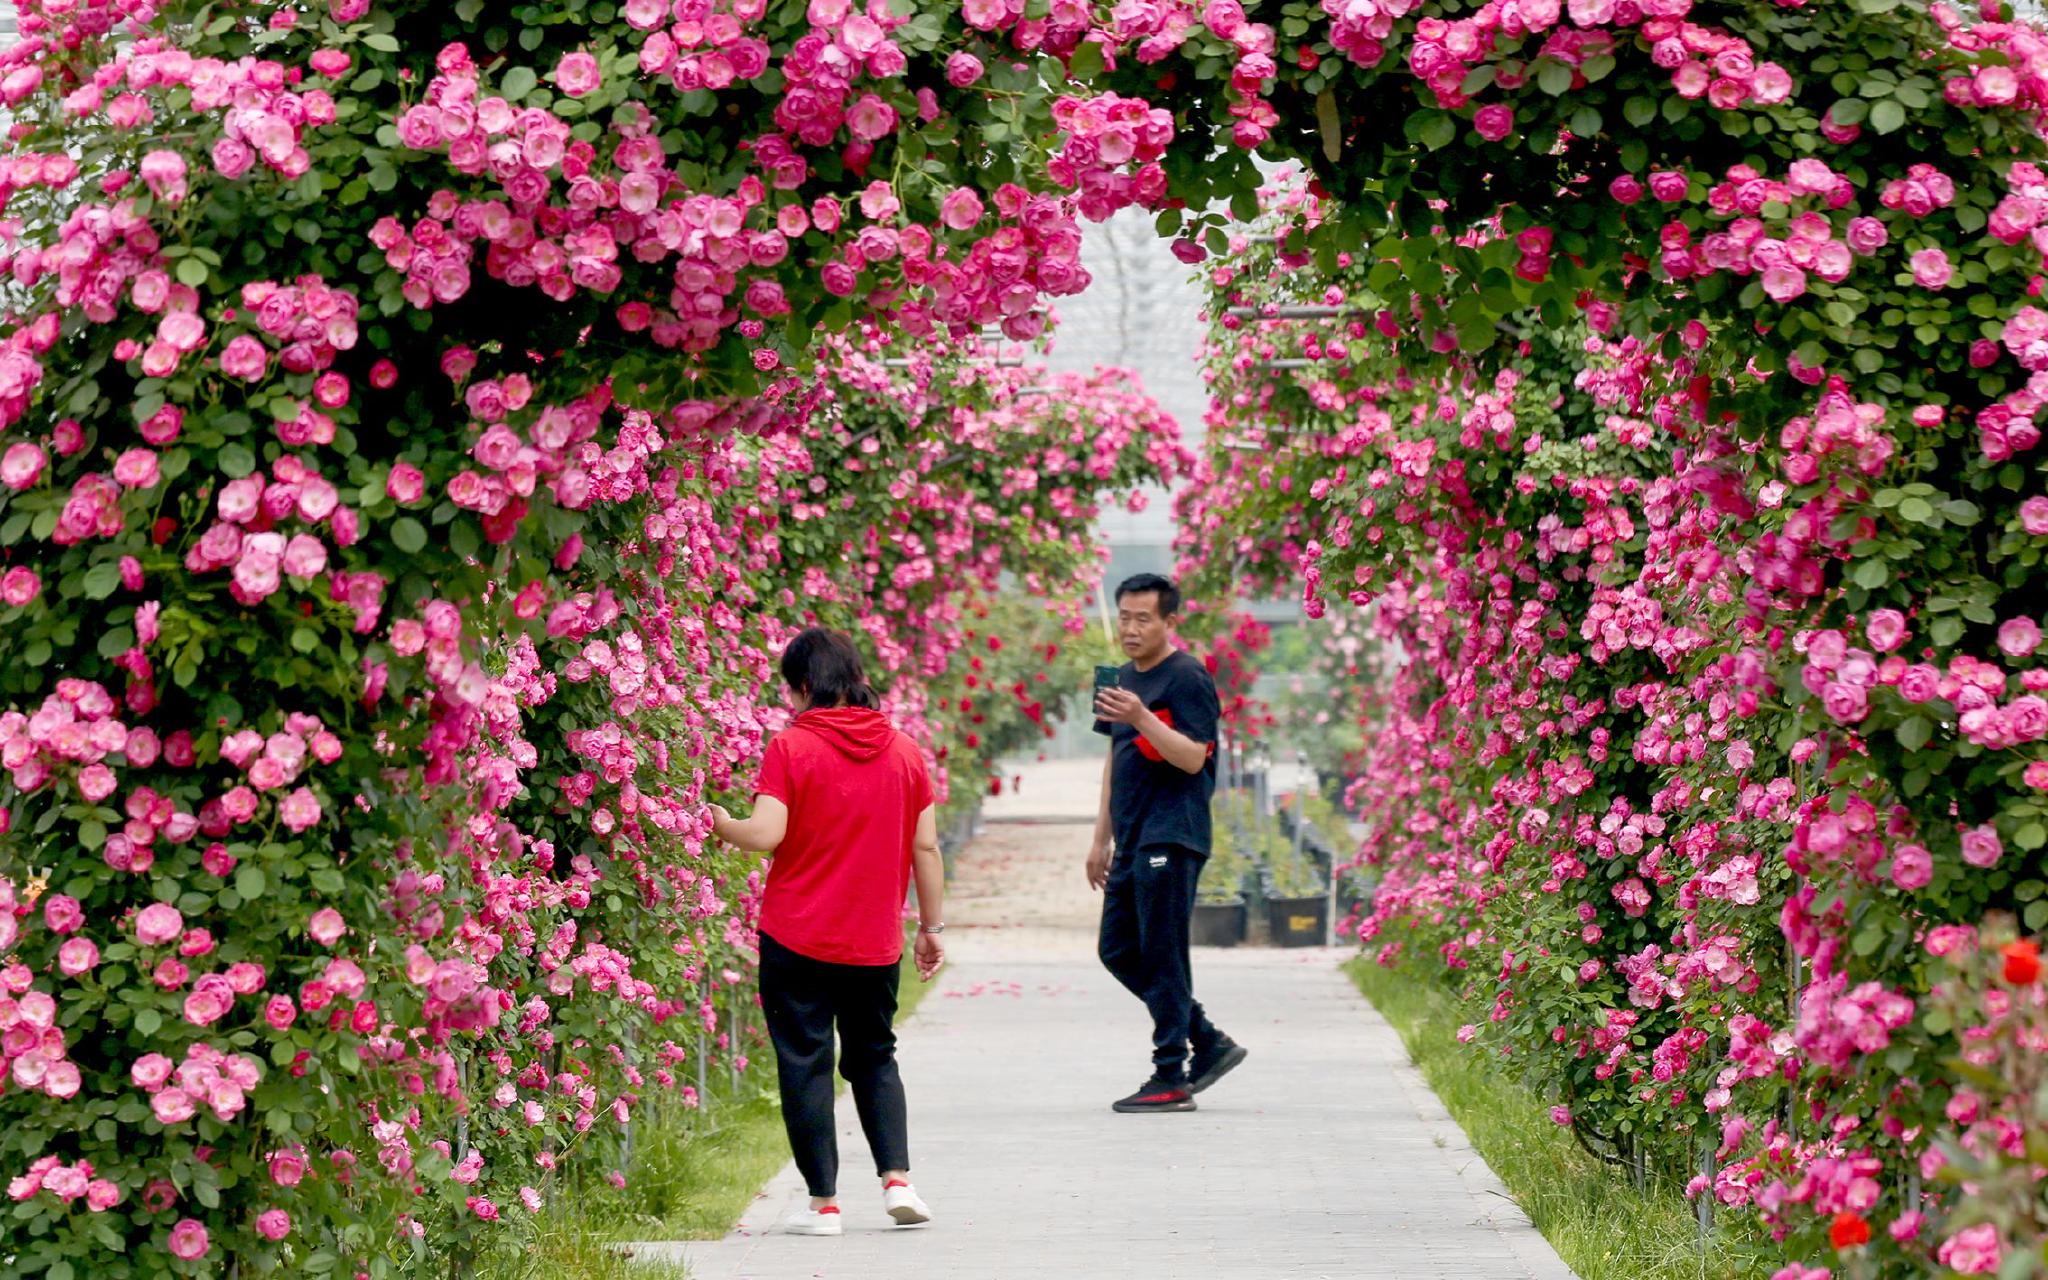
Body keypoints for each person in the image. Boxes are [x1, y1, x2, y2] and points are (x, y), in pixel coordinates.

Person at [710, 627, 947, 1236]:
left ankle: (825, 1206)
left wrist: (718, 822)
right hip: (873, 941)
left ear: (806, 686)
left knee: (806, 1062)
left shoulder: (792, 747)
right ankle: (899, 1181)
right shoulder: (904, 751)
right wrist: (931, 926)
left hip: (796, 937)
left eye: (790, 690)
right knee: (874, 1057)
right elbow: (926, 846)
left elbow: (765, 833)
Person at [1089, 573, 1247, 1113]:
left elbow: (1193, 756)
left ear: (1168, 622)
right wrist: (1099, 839)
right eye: (1124, 617)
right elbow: (1115, 757)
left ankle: (1170, 1073)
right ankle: (1208, 1040)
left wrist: (1139, 717)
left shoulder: (1188, 678)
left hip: (1172, 832)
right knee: (1116, 950)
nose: (1131, 629)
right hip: (1131, 836)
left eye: (1143, 619)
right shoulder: (1115, 678)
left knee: (1162, 951)